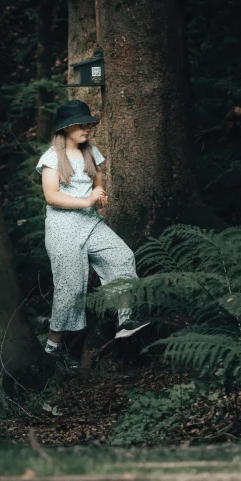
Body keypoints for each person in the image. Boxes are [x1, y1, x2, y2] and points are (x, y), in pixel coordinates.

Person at [36, 99, 149, 362]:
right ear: (65, 128)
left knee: (122, 257)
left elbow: (97, 177)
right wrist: (86, 201)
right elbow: (51, 196)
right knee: (70, 288)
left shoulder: (90, 151)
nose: (86, 127)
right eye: (80, 124)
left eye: (88, 123)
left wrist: (98, 194)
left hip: (90, 223)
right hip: (63, 228)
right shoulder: (52, 157)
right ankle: (51, 349)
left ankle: (125, 322)